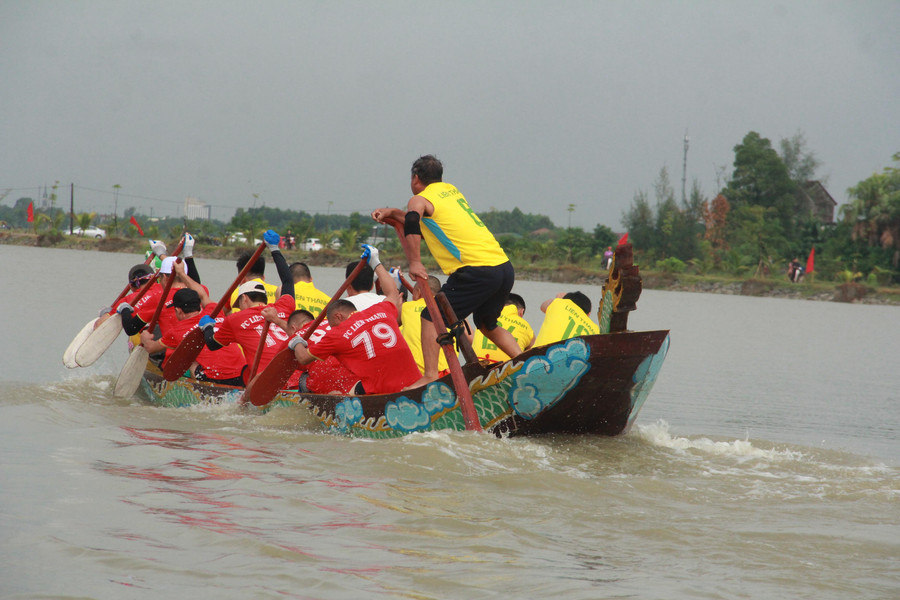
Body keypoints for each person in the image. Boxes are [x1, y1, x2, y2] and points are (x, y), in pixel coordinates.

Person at [371, 154, 521, 388]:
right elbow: (426, 222)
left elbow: (413, 220)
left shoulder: (419, 199)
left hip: (476, 270)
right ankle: (524, 362)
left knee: (430, 316)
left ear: (415, 178)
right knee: (486, 324)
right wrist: (391, 213)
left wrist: (415, 262)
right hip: (503, 267)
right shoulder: (451, 191)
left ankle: (430, 375)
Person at [289, 245, 421, 395]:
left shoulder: (337, 334)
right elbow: (393, 291)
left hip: (382, 390)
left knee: (334, 391)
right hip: (413, 382)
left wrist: (296, 341)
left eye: (332, 325)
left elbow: (303, 358)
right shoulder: (380, 310)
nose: (332, 328)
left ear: (338, 316)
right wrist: (376, 262)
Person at [201, 230, 295, 374]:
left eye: (239, 304)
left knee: (243, 371)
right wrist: (275, 249)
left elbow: (212, 345)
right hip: (293, 374)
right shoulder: (284, 306)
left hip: (263, 379)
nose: (240, 308)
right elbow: (288, 280)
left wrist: (207, 327)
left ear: (244, 298)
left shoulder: (235, 319)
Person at [139, 286, 247, 385]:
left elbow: (151, 348)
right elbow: (203, 294)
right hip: (242, 375)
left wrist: (145, 337)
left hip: (214, 379)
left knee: (188, 356)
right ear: (199, 305)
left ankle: (196, 384)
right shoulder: (215, 312)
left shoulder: (176, 331)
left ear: (178, 311)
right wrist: (182, 274)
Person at [399, 274, 449, 375]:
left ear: (418, 291)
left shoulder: (406, 307)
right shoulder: (448, 308)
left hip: (416, 374)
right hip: (446, 372)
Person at [472, 292, 534, 363]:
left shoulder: (484, 318)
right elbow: (535, 356)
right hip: (508, 367)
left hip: (477, 365)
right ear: (521, 312)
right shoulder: (526, 325)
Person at [533, 291, 599, 347]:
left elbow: (543, 306)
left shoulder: (558, 303)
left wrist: (558, 299)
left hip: (537, 356)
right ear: (588, 314)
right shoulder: (596, 330)